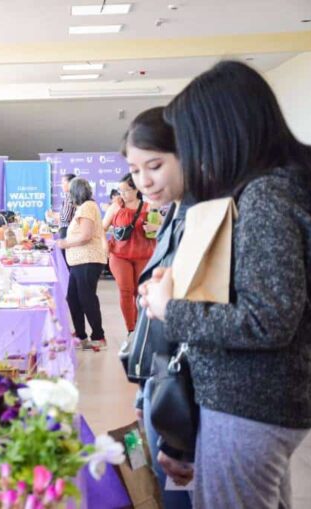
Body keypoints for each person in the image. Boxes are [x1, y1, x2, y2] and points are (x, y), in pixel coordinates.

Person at [139, 61, 311, 509]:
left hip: (250, 403)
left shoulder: (266, 199)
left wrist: (172, 309)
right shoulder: (277, 189)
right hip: (261, 400)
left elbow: (267, 321)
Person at [123, 106, 193, 509]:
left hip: (179, 389)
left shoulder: (204, 217)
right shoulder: (175, 212)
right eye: (134, 170)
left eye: (155, 165)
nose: (144, 181)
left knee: (178, 495)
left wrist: (180, 436)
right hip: (158, 380)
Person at [56, 178, 108, 350]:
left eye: (70, 192)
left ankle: (98, 336)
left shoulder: (87, 207)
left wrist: (65, 243)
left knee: (87, 298)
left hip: (88, 260)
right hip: (80, 261)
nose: (68, 196)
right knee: (73, 298)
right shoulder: (84, 208)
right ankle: (80, 335)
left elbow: (86, 235)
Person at [103, 174, 156, 333]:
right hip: (119, 256)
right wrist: (104, 244)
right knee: (126, 291)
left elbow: (164, 228)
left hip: (144, 255)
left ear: (137, 189)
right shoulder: (116, 207)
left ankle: (142, 328)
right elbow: (102, 227)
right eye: (120, 191)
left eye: (126, 190)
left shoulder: (150, 206)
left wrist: (155, 228)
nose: (122, 194)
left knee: (139, 292)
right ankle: (131, 330)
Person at [49, 174, 76, 238]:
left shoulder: (70, 197)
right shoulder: (71, 196)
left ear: (70, 183)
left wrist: (53, 215)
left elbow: (65, 218)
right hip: (68, 229)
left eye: (63, 182)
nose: (62, 185)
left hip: (67, 230)